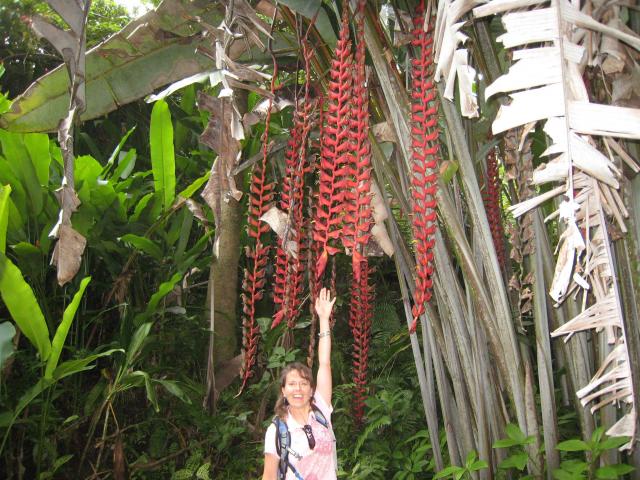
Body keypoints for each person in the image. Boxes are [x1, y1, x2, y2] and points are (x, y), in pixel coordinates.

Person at [262, 288, 337, 480]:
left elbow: (325, 362)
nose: (298, 389)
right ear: (283, 391)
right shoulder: (277, 431)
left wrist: (323, 319)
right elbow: (269, 476)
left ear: (312, 389)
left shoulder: (321, 409)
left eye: (303, 383)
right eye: (292, 384)